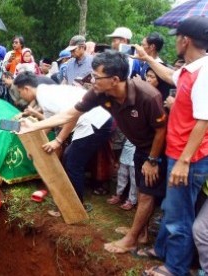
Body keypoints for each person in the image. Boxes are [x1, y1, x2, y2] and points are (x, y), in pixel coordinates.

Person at [17, 50, 167, 255]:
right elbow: (70, 114)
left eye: (97, 76)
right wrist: (33, 128)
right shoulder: (99, 92)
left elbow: (161, 130)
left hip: (159, 149)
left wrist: (152, 159)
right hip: (141, 146)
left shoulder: (148, 96)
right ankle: (141, 233)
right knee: (143, 190)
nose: (92, 79)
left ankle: (132, 239)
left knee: (147, 193)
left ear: (115, 79)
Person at [133, 16, 208, 276]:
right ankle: (163, 250)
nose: (175, 40)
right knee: (170, 208)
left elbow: (203, 121)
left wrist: (185, 162)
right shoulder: (190, 69)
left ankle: (174, 268)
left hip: (189, 158)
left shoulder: (204, 73)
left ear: (185, 40)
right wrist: (147, 58)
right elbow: (169, 74)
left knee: (180, 217)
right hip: (177, 153)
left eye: (177, 37)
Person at [14, 72, 112, 209]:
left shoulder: (45, 96)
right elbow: (50, 122)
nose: (21, 96)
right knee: (70, 159)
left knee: (72, 162)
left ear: (26, 89)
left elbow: (71, 117)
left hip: (95, 122)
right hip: (92, 120)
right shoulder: (44, 94)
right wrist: (35, 147)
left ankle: (75, 206)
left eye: (19, 92)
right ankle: (74, 202)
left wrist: (58, 140)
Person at [107, 139, 137, 210]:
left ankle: (131, 201)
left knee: (134, 180)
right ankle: (118, 195)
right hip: (126, 150)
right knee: (121, 175)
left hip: (137, 150)